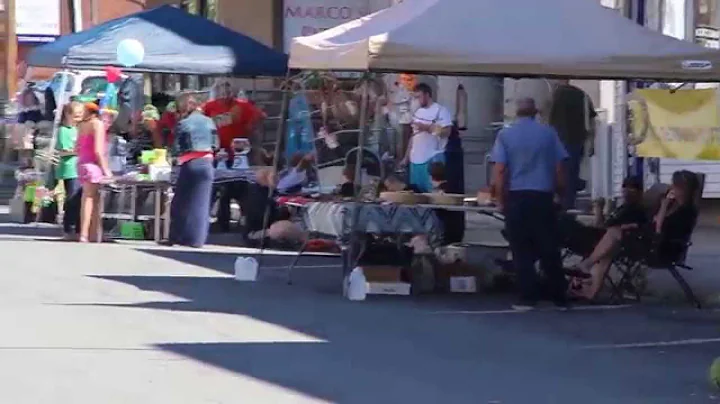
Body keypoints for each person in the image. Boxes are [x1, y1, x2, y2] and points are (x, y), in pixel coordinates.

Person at [489, 97, 569, 310]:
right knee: (549, 247)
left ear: (517, 113)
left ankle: (528, 296)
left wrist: (499, 199)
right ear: (536, 112)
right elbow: (560, 168)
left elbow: (499, 170)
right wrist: (559, 192)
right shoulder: (549, 134)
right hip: (543, 196)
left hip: (517, 196)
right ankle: (559, 296)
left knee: (521, 248)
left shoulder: (505, 135)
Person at [571, 171, 699, 300]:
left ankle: (586, 265)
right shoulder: (674, 206)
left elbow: (659, 229)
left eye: (675, 186)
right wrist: (635, 226)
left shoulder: (686, 211)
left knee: (613, 234)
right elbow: (652, 224)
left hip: (660, 248)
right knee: (609, 247)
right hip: (649, 240)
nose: (672, 189)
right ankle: (592, 291)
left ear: (684, 189)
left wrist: (663, 207)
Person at [168, 94, 218, 248]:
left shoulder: (184, 123)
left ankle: (177, 236)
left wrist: (173, 159)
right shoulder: (210, 122)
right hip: (207, 163)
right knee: (201, 204)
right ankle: (197, 240)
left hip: (191, 163)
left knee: (180, 202)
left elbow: (177, 148)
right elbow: (216, 145)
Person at [549, 80, 597, 209]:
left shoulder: (552, 96)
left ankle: (555, 205)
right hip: (575, 140)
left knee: (553, 175)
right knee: (571, 175)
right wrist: (591, 142)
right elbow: (591, 121)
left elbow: (545, 119)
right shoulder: (581, 95)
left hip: (555, 140)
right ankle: (568, 206)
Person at [401, 83, 452, 192]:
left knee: (433, 192)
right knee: (416, 192)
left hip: (432, 157)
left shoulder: (440, 111)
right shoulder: (417, 112)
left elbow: (447, 132)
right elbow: (413, 136)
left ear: (427, 95)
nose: (417, 100)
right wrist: (406, 157)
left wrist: (427, 128)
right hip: (415, 160)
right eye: (415, 97)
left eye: (418, 97)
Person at [202, 80, 265, 166]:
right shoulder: (208, 106)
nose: (224, 95)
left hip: (238, 153)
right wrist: (227, 118)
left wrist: (249, 127)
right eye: (221, 92)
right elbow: (201, 123)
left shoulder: (242, 105)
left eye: (227, 91)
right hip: (216, 152)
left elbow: (261, 116)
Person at [77, 102, 113, 243]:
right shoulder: (97, 125)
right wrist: (106, 169)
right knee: (93, 199)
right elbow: (98, 150)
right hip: (93, 165)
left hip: (82, 163)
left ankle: (89, 233)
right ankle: (89, 233)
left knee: (88, 198)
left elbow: (77, 147)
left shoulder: (81, 125)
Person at [56, 102, 84, 239]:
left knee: (80, 200)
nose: (78, 119)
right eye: (76, 116)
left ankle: (79, 229)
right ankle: (69, 229)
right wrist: (77, 151)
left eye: (80, 115)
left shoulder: (80, 129)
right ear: (68, 114)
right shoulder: (63, 130)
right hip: (70, 169)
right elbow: (63, 151)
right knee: (72, 199)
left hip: (81, 169)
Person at [428, 162, 465, 245]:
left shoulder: (439, 192)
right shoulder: (453, 187)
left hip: (445, 229)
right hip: (458, 227)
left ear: (431, 177)